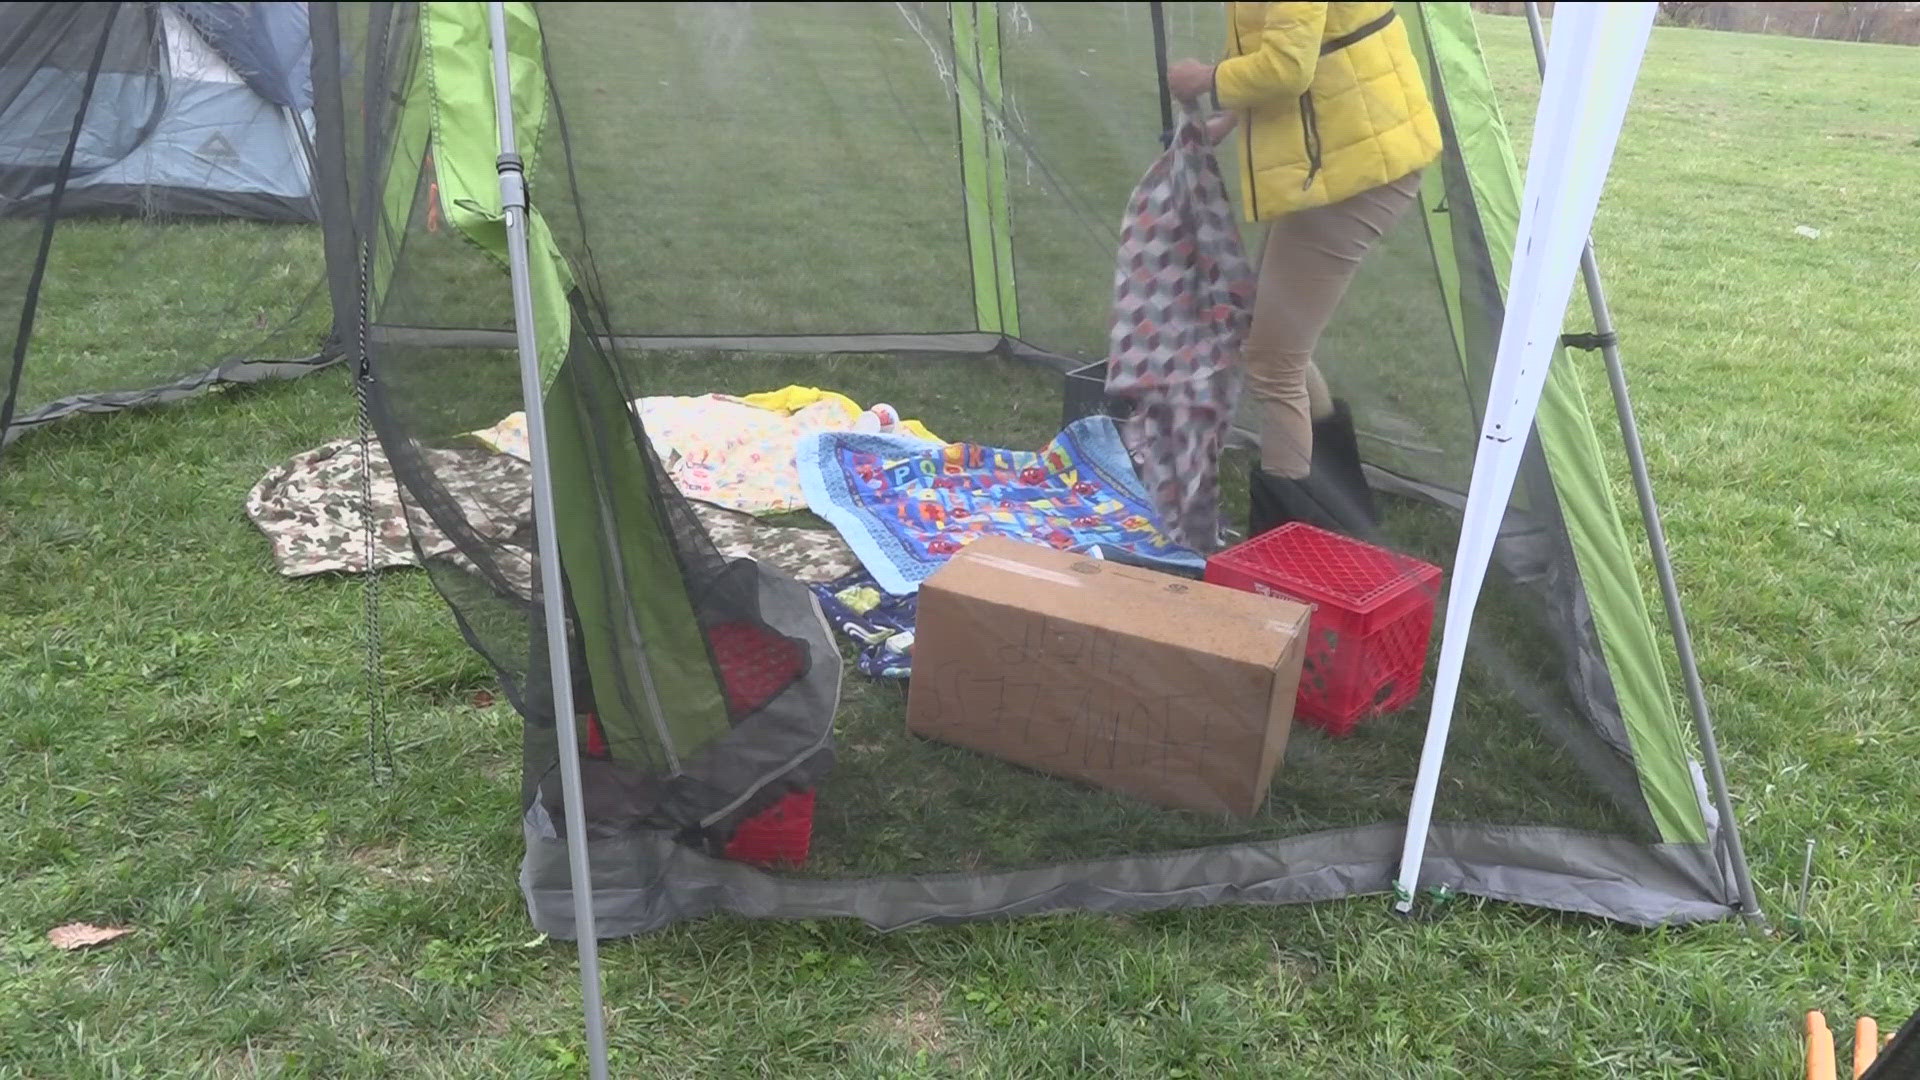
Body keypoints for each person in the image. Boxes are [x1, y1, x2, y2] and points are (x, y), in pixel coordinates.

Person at [1166, 2, 1441, 536]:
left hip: (1355, 171)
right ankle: (1335, 511)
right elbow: (1313, 43)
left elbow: (1289, 66)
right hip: (1343, 156)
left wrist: (1207, 79)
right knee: (1276, 348)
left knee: (1274, 363)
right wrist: (1233, 117)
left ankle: (1281, 547)